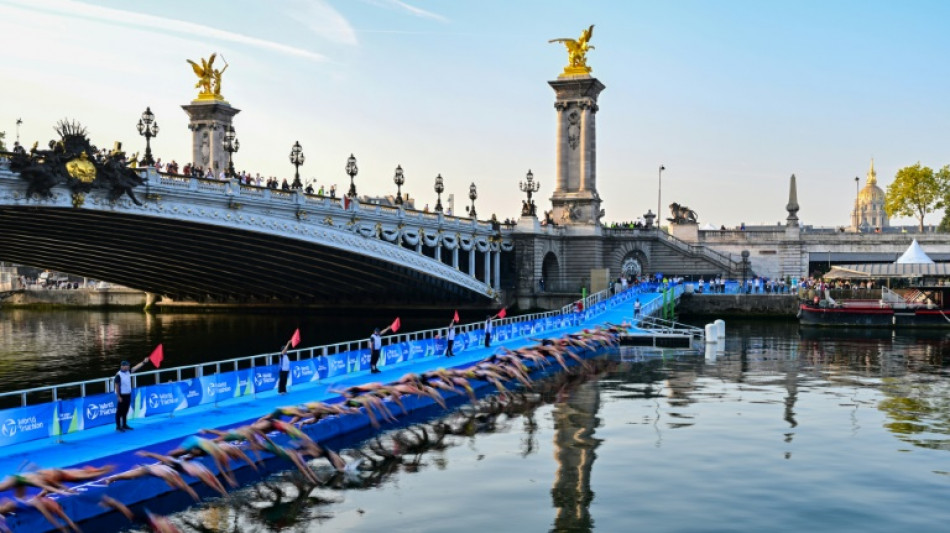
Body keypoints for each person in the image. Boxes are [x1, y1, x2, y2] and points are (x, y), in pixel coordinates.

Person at [115, 357, 150, 431]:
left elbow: (136, 367)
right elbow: (117, 386)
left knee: (126, 410)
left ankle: (124, 424)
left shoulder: (128, 372)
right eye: (127, 366)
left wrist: (143, 362)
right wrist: (118, 396)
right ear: (123, 366)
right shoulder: (118, 375)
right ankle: (118, 426)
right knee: (119, 411)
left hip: (128, 394)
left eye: (128, 366)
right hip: (122, 395)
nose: (128, 367)